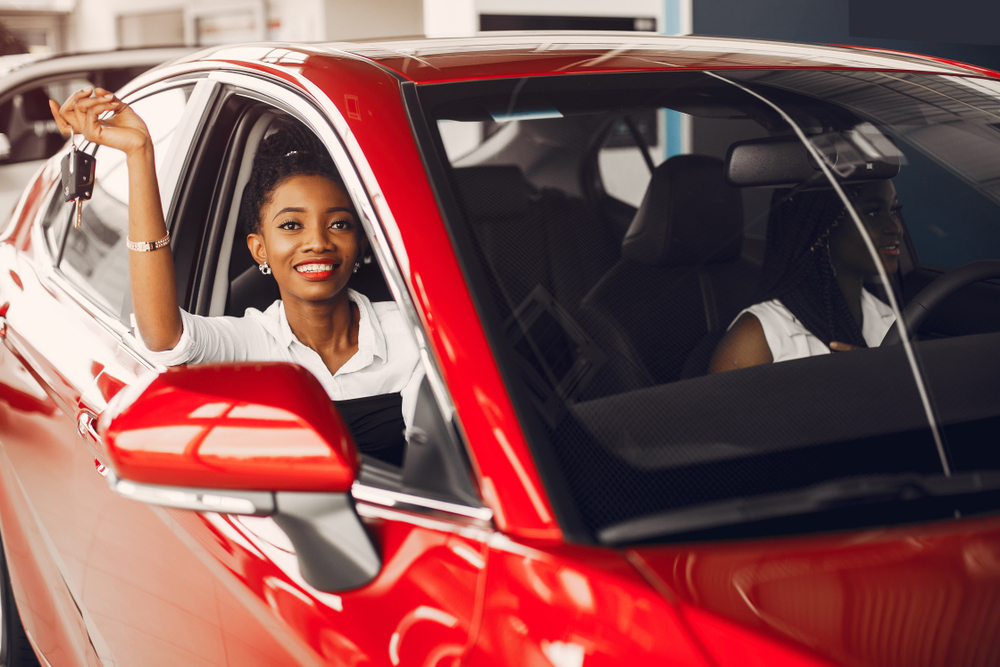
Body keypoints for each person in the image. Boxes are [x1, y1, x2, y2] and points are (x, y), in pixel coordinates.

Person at [50, 87, 423, 465]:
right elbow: (163, 337)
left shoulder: (415, 334)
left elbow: (432, 468)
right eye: (292, 225)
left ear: (360, 243)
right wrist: (139, 153)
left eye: (339, 224)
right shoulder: (250, 344)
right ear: (259, 249)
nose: (317, 242)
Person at [708, 179, 902, 373]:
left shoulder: (891, 320)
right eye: (873, 213)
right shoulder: (756, 339)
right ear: (824, 225)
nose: (895, 227)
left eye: (894, 210)